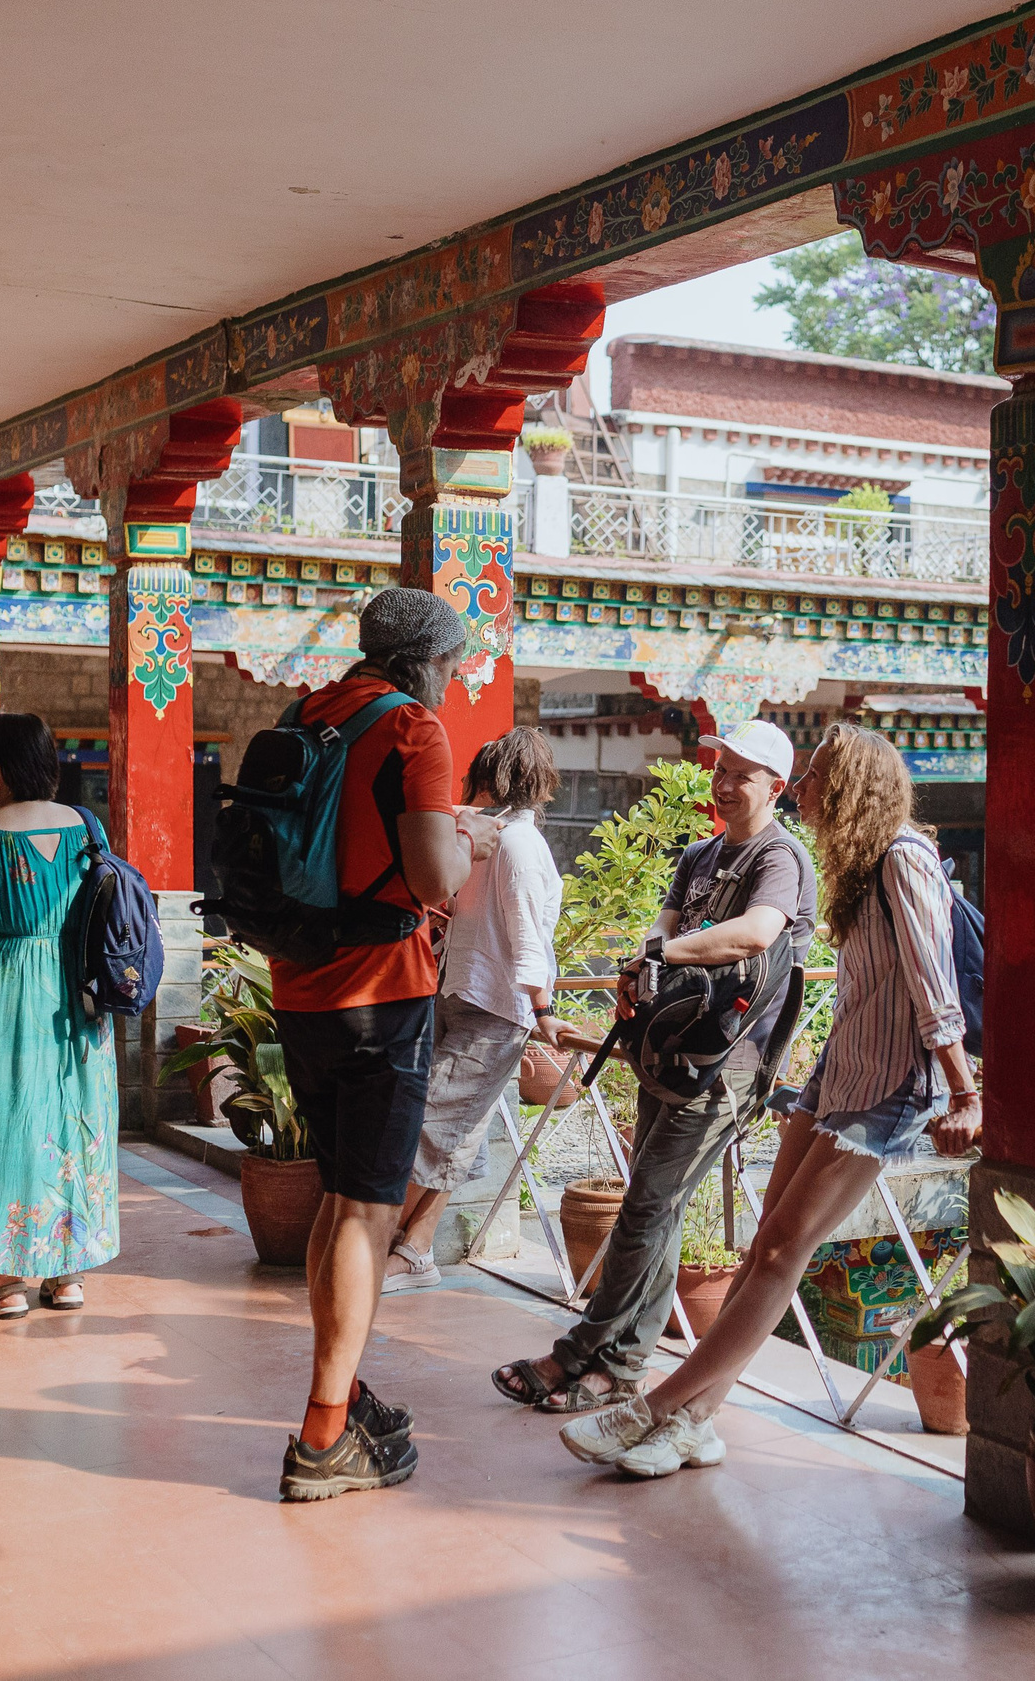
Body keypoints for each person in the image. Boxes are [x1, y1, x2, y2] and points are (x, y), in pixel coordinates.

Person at [560, 721, 978, 1477]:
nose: (805, 787)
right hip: (840, 1076)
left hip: (887, 1094)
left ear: (848, 787)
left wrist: (964, 1090)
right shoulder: (853, 865)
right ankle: (696, 1422)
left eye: (815, 774)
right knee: (764, 1249)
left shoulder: (904, 859)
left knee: (784, 1250)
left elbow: (932, 986)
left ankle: (655, 1408)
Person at [491, 718, 816, 1417]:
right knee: (657, 1205)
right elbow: (664, 927)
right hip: (667, 1049)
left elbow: (759, 931)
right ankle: (626, 1364)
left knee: (646, 1203)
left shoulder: (779, 857)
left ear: (776, 788)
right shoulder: (699, 855)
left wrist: (665, 954)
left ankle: (582, 1352)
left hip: (731, 1063)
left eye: (742, 775)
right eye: (720, 769)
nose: (724, 784)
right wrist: (648, 954)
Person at [271, 588, 500, 1503]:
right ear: (424, 659)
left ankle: (343, 1389)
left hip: (301, 988)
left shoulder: (310, 711)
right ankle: (325, 1437)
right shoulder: (414, 730)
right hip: (380, 993)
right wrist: (471, 836)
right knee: (370, 1210)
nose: (453, 679)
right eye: (450, 662)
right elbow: (431, 875)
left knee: (339, 1198)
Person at [0, 712, 120, 1318]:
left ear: (5, 766)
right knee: (74, 1114)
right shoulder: (87, 828)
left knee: (6, 1119)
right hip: (78, 992)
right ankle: (67, 1276)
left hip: (6, 991)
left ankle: (6, 1282)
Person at [384, 727, 581, 1294]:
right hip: (467, 992)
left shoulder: (515, 843)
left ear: (494, 779)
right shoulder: (494, 836)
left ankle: (371, 1246)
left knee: (427, 1121)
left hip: (496, 1004)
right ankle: (415, 1252)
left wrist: (541, 1006)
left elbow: (526, 933)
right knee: (458, 1128)